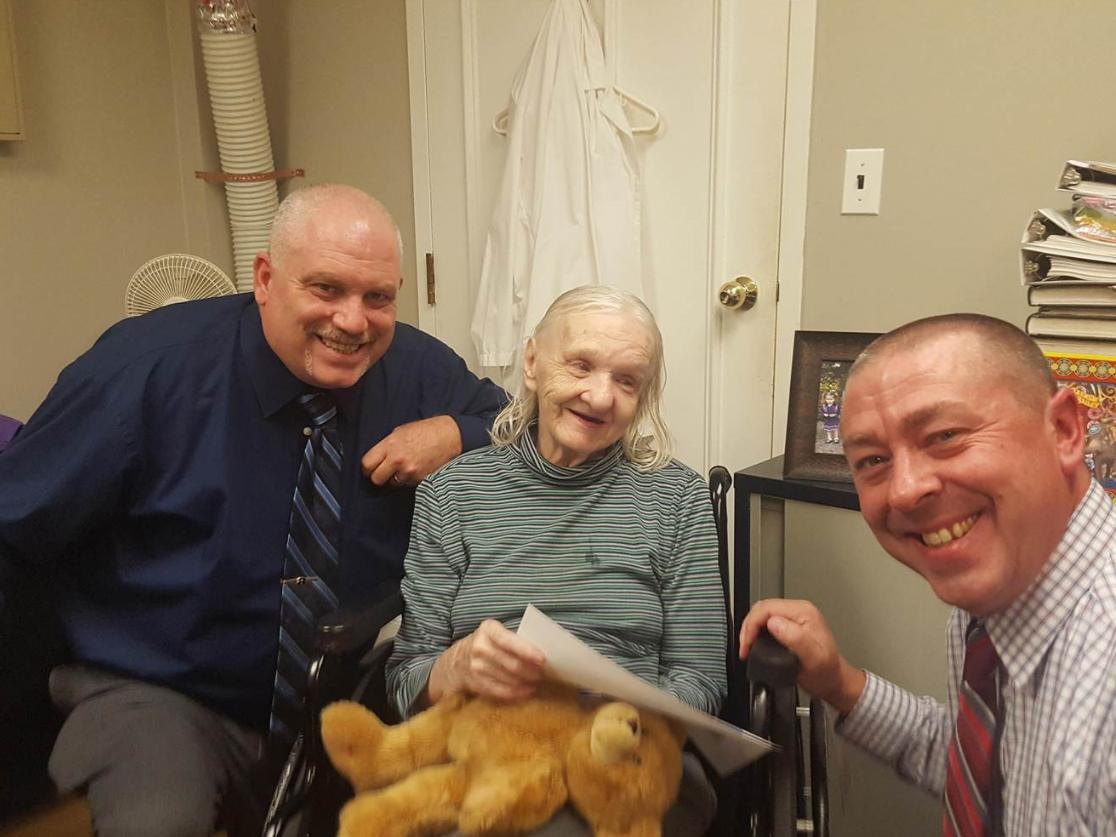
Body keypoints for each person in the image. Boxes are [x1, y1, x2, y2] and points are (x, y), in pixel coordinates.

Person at [0, 184, 506, 837]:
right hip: (162, 684)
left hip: (344, 684)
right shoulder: (142, 373)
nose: (353, 321)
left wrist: (454, 433)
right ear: (265, 278)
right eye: (326, 288)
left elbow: (514, 423)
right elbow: (13, 525)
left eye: (377, 296)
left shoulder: (416, 370)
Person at [740, 314, 1116, 836]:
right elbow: (992, 769)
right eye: (873, 460)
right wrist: (838, 682)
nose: (904, 490)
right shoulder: (996, 600)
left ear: (1065, 431)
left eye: (944, 436)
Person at [386, 285, 727, 835]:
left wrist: (623, 724)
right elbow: (406, 680)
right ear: (532, 364)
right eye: (581, 365)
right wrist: (452, 668)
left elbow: (700, 679)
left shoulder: (675, 499)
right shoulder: (453, 493)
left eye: (626, 380)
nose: (599, 396)